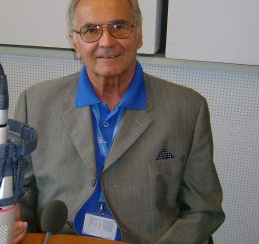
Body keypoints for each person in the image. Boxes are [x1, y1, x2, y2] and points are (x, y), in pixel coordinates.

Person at [13, 0, 225, 243]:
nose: (106, 42)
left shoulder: (187, 109)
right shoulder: (36, 102)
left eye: (119, 26)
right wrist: (10, 216)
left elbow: (203, 210)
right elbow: (23, 192)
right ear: (75, 43)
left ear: (139, 35)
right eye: (90, 30)